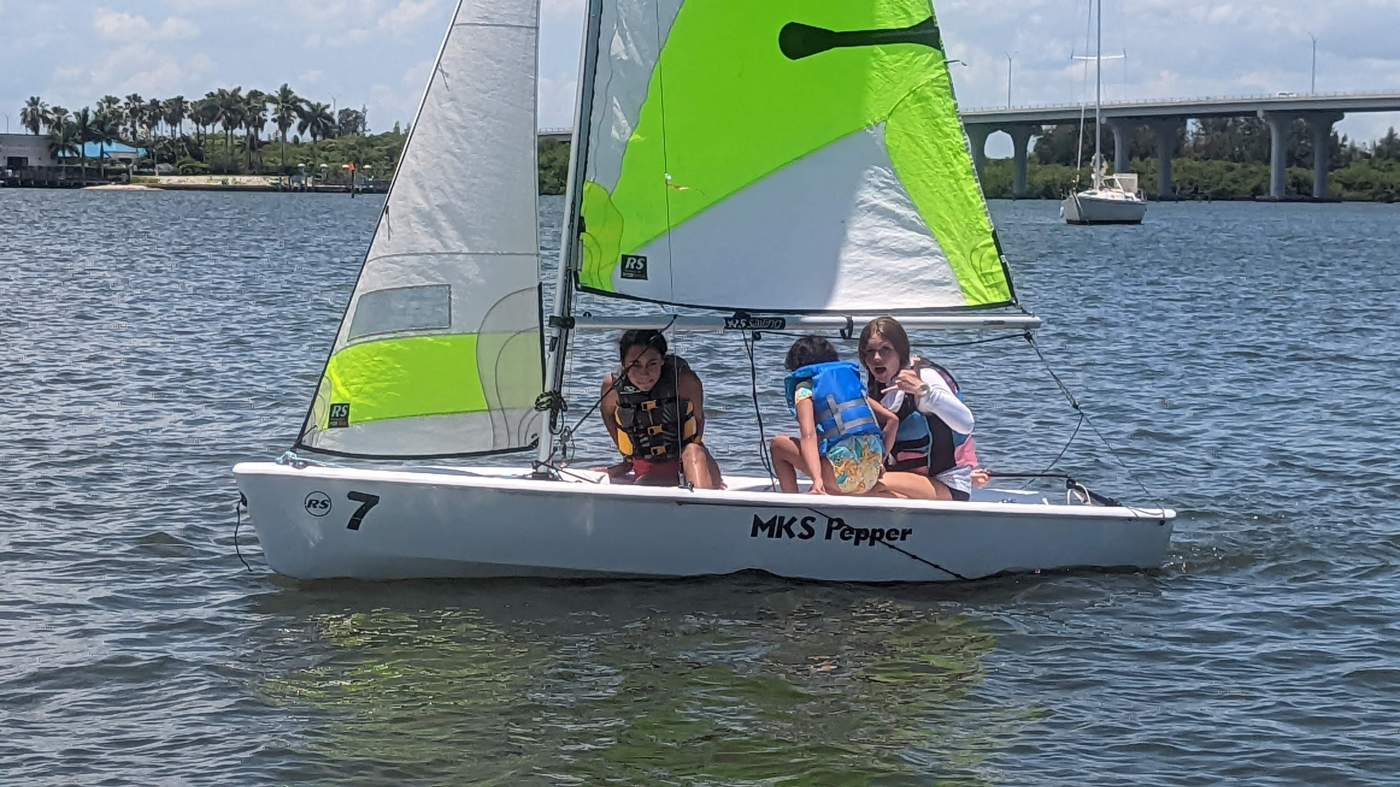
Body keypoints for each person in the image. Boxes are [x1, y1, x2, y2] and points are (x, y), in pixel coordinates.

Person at [858, 316, 978, 501]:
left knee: (859, 483)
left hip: (947, 484)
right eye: (870, 352)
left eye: (885, 350)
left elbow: (966, 423)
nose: (876, 358)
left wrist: (923, 391)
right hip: (912, 481)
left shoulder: (925, 378)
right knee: (846, 481)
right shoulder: (878, 389)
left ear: (901, 352)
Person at [769, 336, 901, 496]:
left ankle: (791, 503)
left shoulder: (804, 388)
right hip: (871, 475)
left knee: (778, 445)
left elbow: (808, 434)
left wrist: (817, 480)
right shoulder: (849, 385)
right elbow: (893, 420)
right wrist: (881, 459)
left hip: (841, 479)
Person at [598, 330, 723, 489]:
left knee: (693, 450)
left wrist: (702, 469)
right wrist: (628, 459)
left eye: (652, 363)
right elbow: (609, 418)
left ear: (662, 361)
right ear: (623, 364)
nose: (644, 373)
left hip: (690, 461)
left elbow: (698, 420)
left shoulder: (684, 381)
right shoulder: (613, 388)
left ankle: (704, 503)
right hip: (647, 467)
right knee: (644, 483)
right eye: (635, 364)